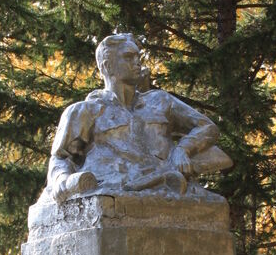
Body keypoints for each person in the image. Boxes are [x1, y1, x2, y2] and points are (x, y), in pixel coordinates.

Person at [45, 33, 231, 203]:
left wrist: (183, 149)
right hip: (110, 189)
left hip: (166, 186)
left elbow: (208, 127)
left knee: (216, 204)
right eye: (128, 57)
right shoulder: (84, 111)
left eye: (138, 57)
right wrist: (62, 181)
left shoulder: (160, 101)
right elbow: (60, 158)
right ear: (108, 65)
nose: (137, 63)